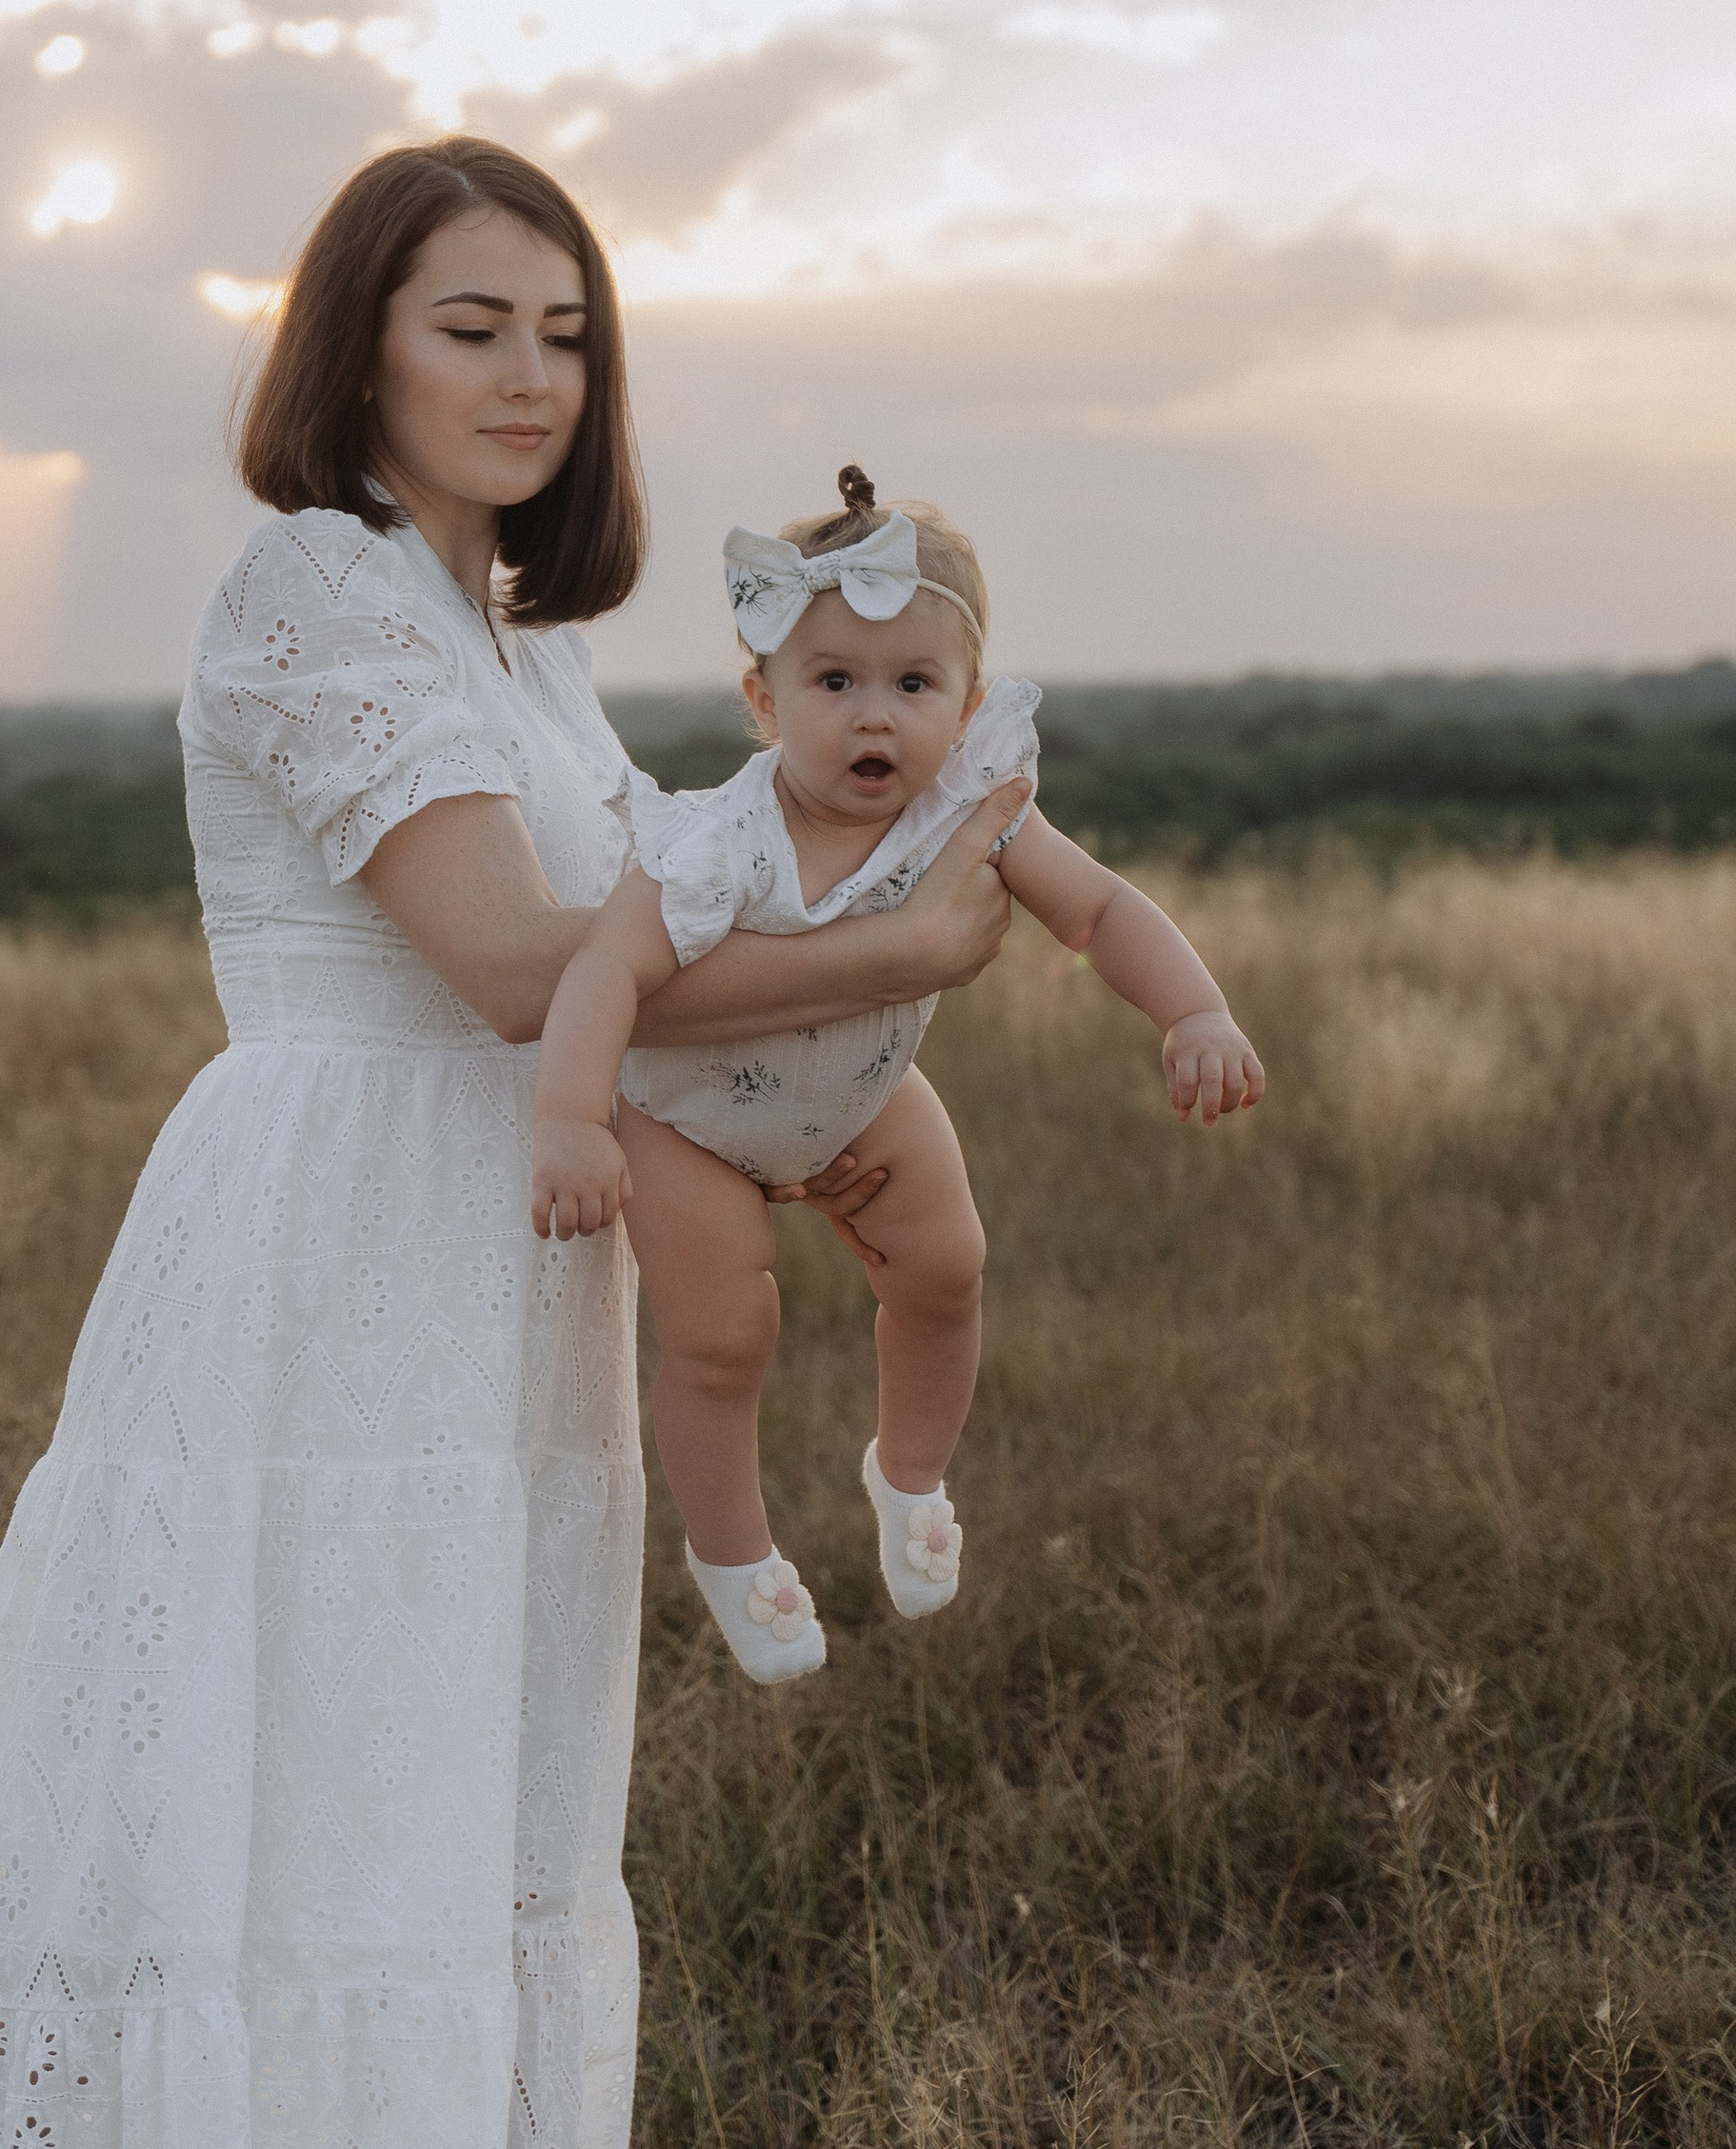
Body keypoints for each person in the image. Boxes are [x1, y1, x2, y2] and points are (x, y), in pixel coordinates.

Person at [0, 148, 1024, 2149]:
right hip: (330, 1250)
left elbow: (683, 931)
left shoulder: (521, 640)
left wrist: (841, 1079)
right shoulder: (318, 588)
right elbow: (501, 964)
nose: (530, 375)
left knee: (422, 1818)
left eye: (565, 333)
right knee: (276, 1822)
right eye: (471, 324)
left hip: (506, 1277)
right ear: (351, 336)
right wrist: (912, 948)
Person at [530, 468, 1266, 1686]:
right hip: (690, 1123)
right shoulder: (719, 844)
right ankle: (735, 1552)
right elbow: (605, 971)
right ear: (765, 700)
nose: (876, 719)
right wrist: (569, 1118)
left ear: (968, 703)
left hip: (864, 1096)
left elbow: (1097, 906)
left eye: (913, 686)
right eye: (834, 684)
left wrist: (1192, 1009)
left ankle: (909, 1471)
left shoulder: (968, 812)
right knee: (723, 1335)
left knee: (947, 1268)